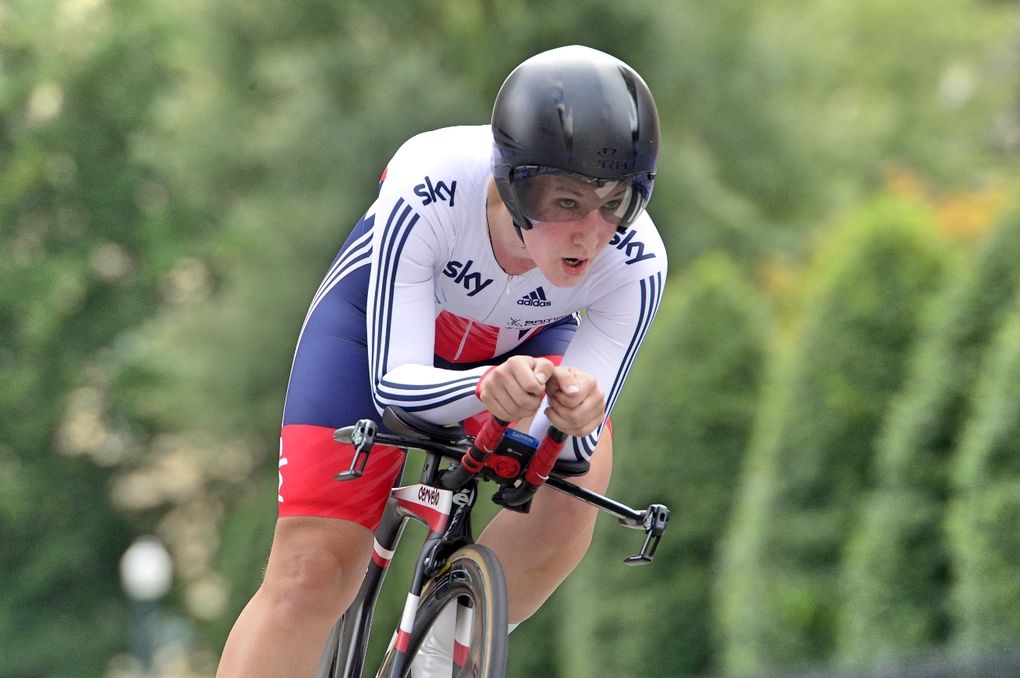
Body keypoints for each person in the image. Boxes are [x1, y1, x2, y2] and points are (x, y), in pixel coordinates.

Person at [216, 44, 667, 677]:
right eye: (566, 202)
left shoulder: (638, 261)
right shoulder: (430, 181)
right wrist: (484, 387)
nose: (591, 234)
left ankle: (438, 657)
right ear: (513, 184)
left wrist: (575, 414)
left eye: (617, 202)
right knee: (311, 571)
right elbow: (393, 388)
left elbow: (570, 449)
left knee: (574, 492)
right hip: (379, 335)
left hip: (522, 345)